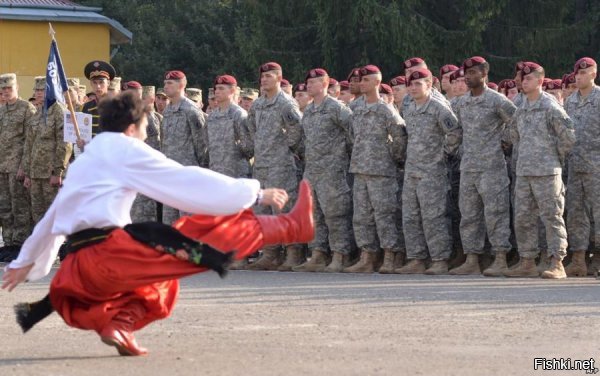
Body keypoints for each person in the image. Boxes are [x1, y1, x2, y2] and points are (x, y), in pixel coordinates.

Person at [1, 91, 315, 356]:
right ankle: (291, 227)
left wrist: (25, 261)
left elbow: (53, 217)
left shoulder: (85, 159)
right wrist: (256, 192)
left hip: (78, 270)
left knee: (160, 281)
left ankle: (120, 325)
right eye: (145, 127)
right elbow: (183, 180)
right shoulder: (126, 149)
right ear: (131, 128)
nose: (147, 133)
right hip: (111, 257)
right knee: (196, 233)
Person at [504, 62, 575, 279]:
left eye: (528, 79)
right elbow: (513, 133)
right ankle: (527, 261)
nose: (523, 82)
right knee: (524, 217)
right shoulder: (520, 104)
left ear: (540, 81)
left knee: (552, 217)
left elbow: (568, 137)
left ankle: (557, 262)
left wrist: (554, 157)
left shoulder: (550, 106)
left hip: (547, 171)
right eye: (522, 79)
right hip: (525, 170)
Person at [449, 57, 516, 276]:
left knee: (496, 213)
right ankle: (472, 259)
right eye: (466, 73)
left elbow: (516, 123)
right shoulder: (461, 103)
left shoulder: (497, 100)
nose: (468, 77)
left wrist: (504, 142)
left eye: (473, 73)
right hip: (468, 167)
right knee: (469, 215)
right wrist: (457, 150)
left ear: (484, 75)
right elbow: (456, 130)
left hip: (492, 167)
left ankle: (500, 258)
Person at [396, 68, 461, 275]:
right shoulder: (410, 107)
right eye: (410, 84)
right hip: (412, 169)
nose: (413, 88)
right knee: (411, 216)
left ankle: (440, 259)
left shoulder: (438, 107)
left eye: (418, 84)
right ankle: (416, 258)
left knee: (433, 217)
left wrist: (443, 153)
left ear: (429, 84)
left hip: (432, 171)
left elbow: (455, 132)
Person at [344, 65, 407, 274]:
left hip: (381, 170)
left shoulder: (385, 109)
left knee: (384, 214)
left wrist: (393, 157)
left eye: (366, 80)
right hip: (360, 169)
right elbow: (351, 136)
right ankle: (367, 255)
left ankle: (390, 255)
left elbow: (399, 136)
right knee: (361, 216)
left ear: (377, 83)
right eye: (360, 80)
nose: (362, 84)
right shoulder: (356, 108)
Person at [292, 68, 354, 273]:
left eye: (313, 82)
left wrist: (342, 156)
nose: (309, 86)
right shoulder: (309, 110)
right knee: (314, 214)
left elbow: (352, 133)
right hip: (313, 170)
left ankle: (340, 254)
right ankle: (318, 253)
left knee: (335, 213)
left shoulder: (336, 108)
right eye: (307, 83)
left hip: (332, 170)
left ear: (325, 84)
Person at [245, 62, 304, 271]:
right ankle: (270, 253)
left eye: (269, 76)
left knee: (284, 208)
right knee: (264, 210)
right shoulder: (259, 105)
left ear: (279, 78)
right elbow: (251, 127)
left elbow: (297, 129)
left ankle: (292, 253)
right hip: (262, 164)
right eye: (262, 77)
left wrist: (286, 148)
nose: (264, 80)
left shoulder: (286, 104)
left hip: (281, 164)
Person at [564, 57, 599, 277]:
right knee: (576, 212)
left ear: (593, 74)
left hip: (597, 165)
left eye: (584, 73)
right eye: (577, 73)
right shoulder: (570, 101)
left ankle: (598, 257)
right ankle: (579, 258)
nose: (579, 77)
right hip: (575, 165)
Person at [22, 77, 73, 225]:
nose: (38, 93)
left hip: (50, 172)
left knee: (54, 212)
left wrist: (58, 172)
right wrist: (27, 173)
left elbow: (65, 144)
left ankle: (59, 246)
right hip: (35, 173)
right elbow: (29, 144)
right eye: (36, 90)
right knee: (38, 214)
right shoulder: (38, 112)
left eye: (42, 90)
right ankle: (42, 246)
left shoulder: (60, 111)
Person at [161, 70, 208, 225]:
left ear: (181, 85)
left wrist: (199, 172)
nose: (165, 86)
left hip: (188, 175)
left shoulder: (191, 111)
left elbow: (202, 145)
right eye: (165, 83)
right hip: (170, 174)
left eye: (169, 83)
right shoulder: (167, 111)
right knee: (170, 224)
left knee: (188, 224)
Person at [0, 73, 36, 261]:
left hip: (17, 166)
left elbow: (30, 140)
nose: (6, 92)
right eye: (3, 89)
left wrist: (24, 166)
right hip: (2, 166)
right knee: (5, 206)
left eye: (9, 88)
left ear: (16, 88)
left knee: (20, 206)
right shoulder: (1, 110)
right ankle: (9, 243)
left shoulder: (26, 108)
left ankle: (21, 243)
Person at [81, 60, 116, 142]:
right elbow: (84, 131)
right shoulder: (87, 106)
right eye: (95, 83)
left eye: (101, 82)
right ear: (90, 84)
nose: (98, 86)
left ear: (108, 83)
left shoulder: (116, 105)